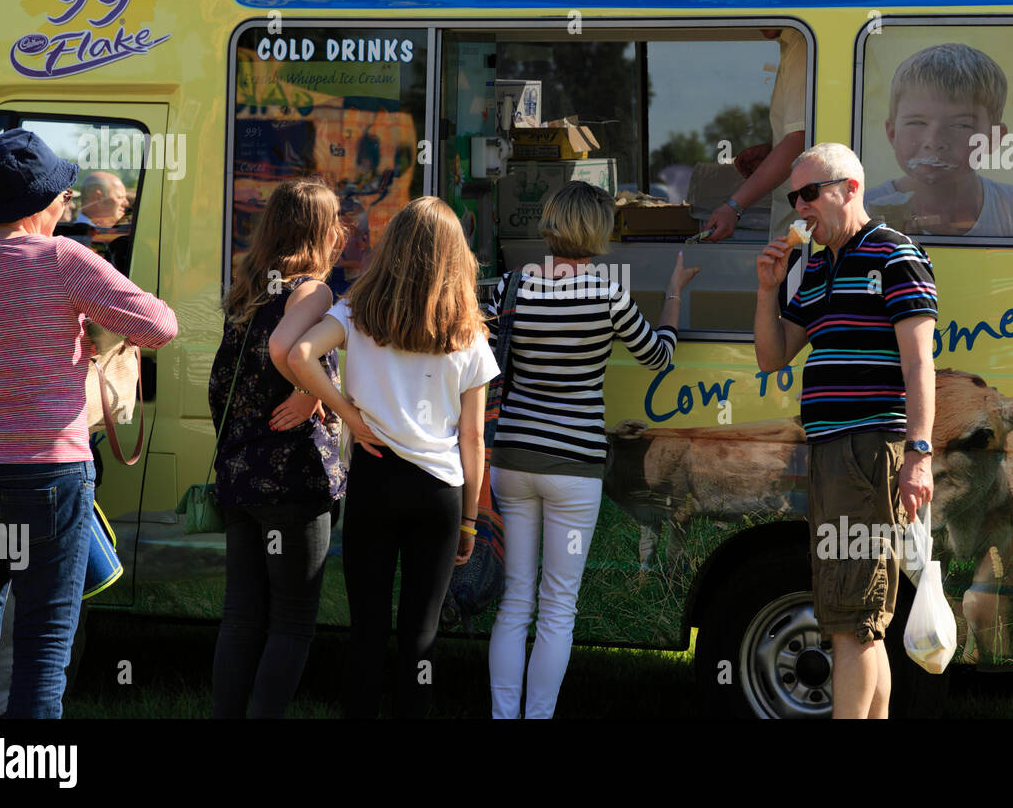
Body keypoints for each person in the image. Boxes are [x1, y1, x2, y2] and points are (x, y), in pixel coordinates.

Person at [0, 128, 177, 718]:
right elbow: (159, 325)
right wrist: (93, 333)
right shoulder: (66, 261)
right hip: (49, 476)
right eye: (63, 197)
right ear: (42, 203)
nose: (67, 205)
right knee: (42, 648)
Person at [487, 181, 699, 719]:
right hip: (574, 470)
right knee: (558, 608)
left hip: (510, 458)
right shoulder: (608, 293)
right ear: (598, 230)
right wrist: (674, 294)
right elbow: (658, 358)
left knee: (514, 603)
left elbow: (484, 365)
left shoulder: (511, 287)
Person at [287, 196, 498, 718]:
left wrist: (348, 415)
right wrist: (470, 523)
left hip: (375, 481)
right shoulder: (468, 329)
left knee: (367, 630)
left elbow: (298, 355)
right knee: (421, 638)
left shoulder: (358, 309)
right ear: (455, 255)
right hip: (440, 493)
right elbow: (473, 439)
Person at [754, 142, 936, 720]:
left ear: (849, 188)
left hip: (868, 451)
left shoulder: (894, 256)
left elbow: (919, 364)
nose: (799, 207)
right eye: (792, 196)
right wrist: (767, 288)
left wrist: (919, 454)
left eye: (809, 193)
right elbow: (772, 356)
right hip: (833, 451)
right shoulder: (818, 267)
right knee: (856, 617)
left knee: (852, 617)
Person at [208, 178, 348, 719]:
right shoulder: (312, 290)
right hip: (292, 479)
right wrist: (318, 394)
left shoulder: (248, 287)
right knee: (291, 621)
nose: (342, 230)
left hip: (240, 474)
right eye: (334, 219)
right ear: (318, 230)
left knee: (242, 613)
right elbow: (287, 348)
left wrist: (302, 388)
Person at [863, 43, 1013, 238]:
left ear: (992, 139)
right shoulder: (863, 212)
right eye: (917, 122)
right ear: (892, 133)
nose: (934, 141)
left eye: (960, 125)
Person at [703, 28, 807, 242]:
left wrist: (734, 206)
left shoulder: (801, 40)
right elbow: (804, 136)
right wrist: (773, 149)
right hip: (794, 230)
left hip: (799, 233)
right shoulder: (793, 41)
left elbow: (799, 140)